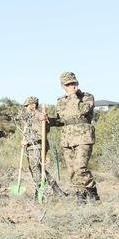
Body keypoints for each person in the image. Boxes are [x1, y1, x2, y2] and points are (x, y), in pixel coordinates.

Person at [45, 72, 99, 203]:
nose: (72, 86)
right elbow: (60, 120)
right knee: (71, 171)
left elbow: (83, 110)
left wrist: (74, 96)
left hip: (83, 137)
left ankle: (92, 192)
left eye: (73, 83)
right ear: (63, 86)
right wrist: (47, 120)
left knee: (80, 168)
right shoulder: (61, 101)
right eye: (68, 84)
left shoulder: (86, 97)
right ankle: (81, 196)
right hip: (67, 139)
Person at [18, 96, 64, 198]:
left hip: (38, 145)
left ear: (33, 105)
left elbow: (40, 134)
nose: (25, 108)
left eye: (27, 106)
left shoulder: (39, 117)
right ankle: (49, 191)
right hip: (31, 146)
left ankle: (46, 191)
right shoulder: (29, 117)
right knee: (35, 169)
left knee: (37, 168)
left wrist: (28, 141)